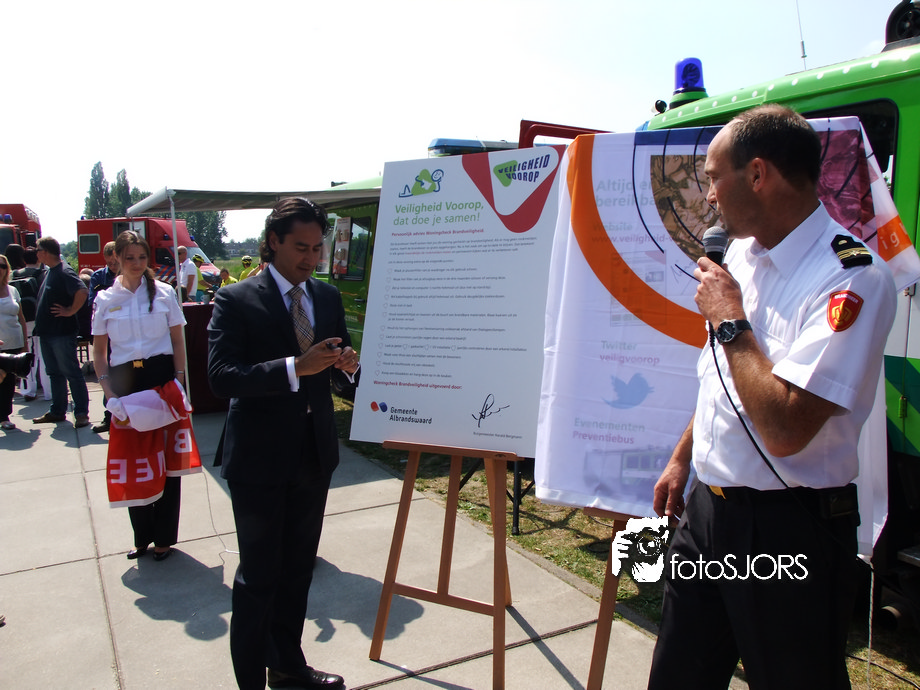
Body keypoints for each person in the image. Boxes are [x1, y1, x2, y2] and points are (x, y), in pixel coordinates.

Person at [648, 105, 898, 689]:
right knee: (678, 678)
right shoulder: (741, 254)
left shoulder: (851, 277)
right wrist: (683, 457)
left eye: (715, 178)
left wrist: (730, 320)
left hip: (788, 528)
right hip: (709, 513)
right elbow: (723, 378)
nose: (709, 196)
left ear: (758, 174)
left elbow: (786, 430)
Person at [208, 197, 359, 690]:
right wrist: (295, 367)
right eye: (300, 247)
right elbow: (221, 377)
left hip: (314, 455)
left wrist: (347, 368)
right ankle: (250, 681)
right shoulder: (236, 299)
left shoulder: (327, 297)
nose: (310, 258)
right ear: (273, 241)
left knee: (297, 572)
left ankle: (288, 668)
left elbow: (335, 368)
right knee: (259, 578)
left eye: (317, 248)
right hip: (259, 459)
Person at [92, 231, 188, 561]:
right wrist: (108, 393)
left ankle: (164, 537)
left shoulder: (164, 293)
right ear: (116, 258)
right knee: (133, 461)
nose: (136, 263)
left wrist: (179, 381)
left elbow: (178, 341)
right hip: (126, 383)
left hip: (161, 379)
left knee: (166, 461)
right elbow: (100, 351)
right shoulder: (105, 298)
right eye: (129, 257)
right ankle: (141, 536)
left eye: (142, 257)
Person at [31, 237, 91, 428]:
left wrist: (70, 310)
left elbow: (82, 291)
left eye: (37, 250)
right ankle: (57, 411)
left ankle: (81, 413)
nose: (36, 253)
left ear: (45, 252)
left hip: (61, 333)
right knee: (54, 373)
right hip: (48, 333)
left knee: (71, 372)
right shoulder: (51, 271)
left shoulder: (64, 271)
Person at [89, 242, 119, 433]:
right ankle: (109, 416)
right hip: (105, 333)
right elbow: (93, 302)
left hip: (123, 333)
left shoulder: (129, 276)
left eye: (116, 263)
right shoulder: (98, 277)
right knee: (106, 373)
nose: (113, 266)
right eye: (110, 263)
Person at [13, 248, 48, 403]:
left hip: (21, 320)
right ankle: (48, 391)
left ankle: (28, 389)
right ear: (38, 258)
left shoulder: (15, 275)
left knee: (27, 355)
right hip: (38, 319)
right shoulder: (43, 274)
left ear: (24, 260)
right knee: (42, 356)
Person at [0, 255, 28, 429]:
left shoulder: (12, 290)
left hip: (14, 342)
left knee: (9, 382)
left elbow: (21, 318)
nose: (0, 269)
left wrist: (25, 342)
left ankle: (4, 416)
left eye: (3, 266)